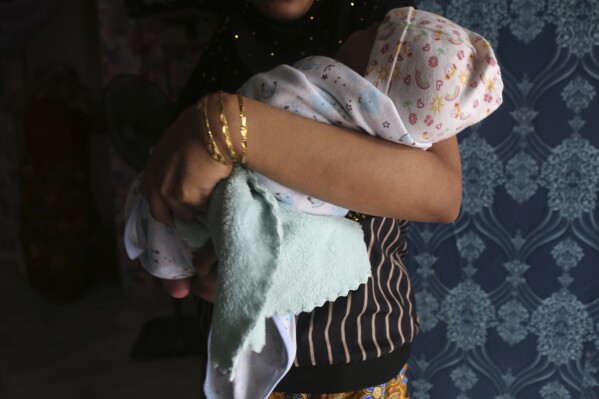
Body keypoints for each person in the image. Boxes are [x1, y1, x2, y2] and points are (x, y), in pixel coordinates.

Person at [139, 0, 464, 397]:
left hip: (357, 348)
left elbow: (441, 195)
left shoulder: (390, 33)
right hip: (243, 353)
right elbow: (182, 194)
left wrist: (225, 123)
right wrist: (212, 271)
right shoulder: (219, 42)